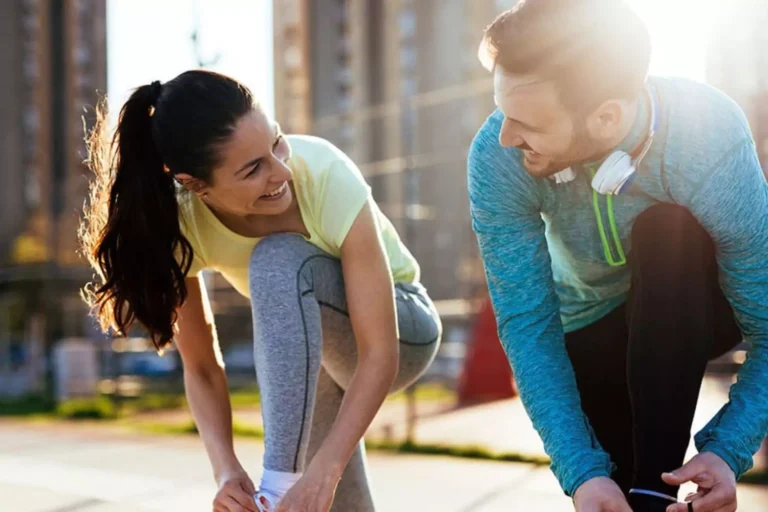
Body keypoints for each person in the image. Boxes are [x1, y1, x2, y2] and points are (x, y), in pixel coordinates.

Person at [80, 70, 441, 512]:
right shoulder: (182, 224)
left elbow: (379, 353)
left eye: (276, 143)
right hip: (315, 359)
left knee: (277, 258)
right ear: (195, 184)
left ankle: (275, 487)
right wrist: (226, 469)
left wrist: (321, 471)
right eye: (253, 169)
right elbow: (202, 368)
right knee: (333, 506)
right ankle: (286, 489)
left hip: (404, 331)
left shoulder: (324, 173)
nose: (281, 171)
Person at [467, 1, 768, 511]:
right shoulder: (498, 159)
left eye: (525, 122)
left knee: (667, 229)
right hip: (590, 328)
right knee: (614, 491)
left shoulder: (707, 134)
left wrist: (727, 449)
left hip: (695, 304)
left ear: (606, 116)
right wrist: (580, 470)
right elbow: (526, 325)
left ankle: (655, 485)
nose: (504, 136)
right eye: (503, 111)